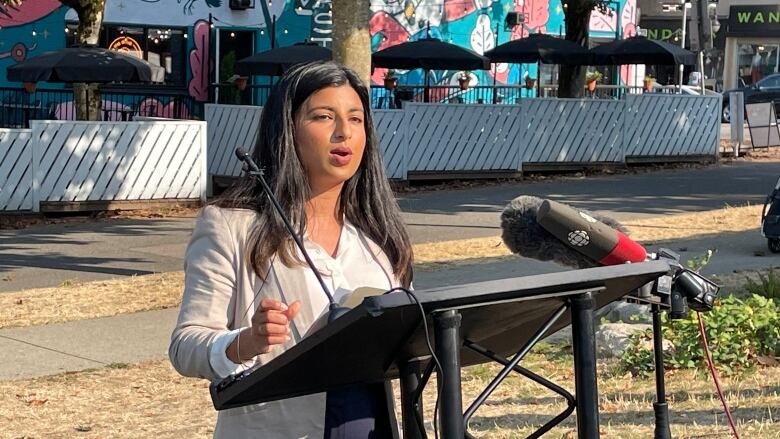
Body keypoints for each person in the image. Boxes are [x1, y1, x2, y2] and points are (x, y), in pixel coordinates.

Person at [169, 61, 413, 438]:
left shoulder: (380, 237)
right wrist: (244, 342)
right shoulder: (231, 226)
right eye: (323, 117)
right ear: (287, 129)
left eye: (356, 119)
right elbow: (186, 345)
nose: (343, 133)